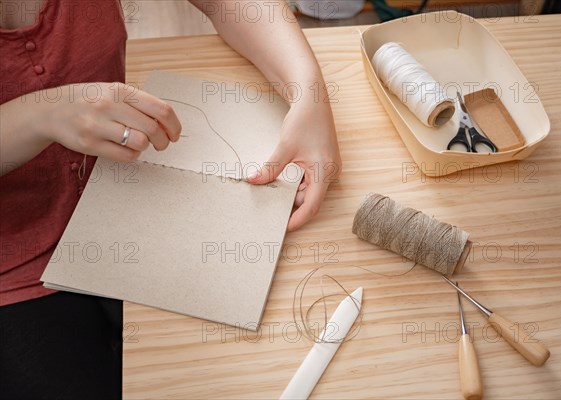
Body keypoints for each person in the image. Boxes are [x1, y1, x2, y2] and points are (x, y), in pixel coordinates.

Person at [0, 0, 341, 398]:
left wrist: (309, 94)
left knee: (251, 368)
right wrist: (39, 116)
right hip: (13, 263)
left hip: (134, 191)